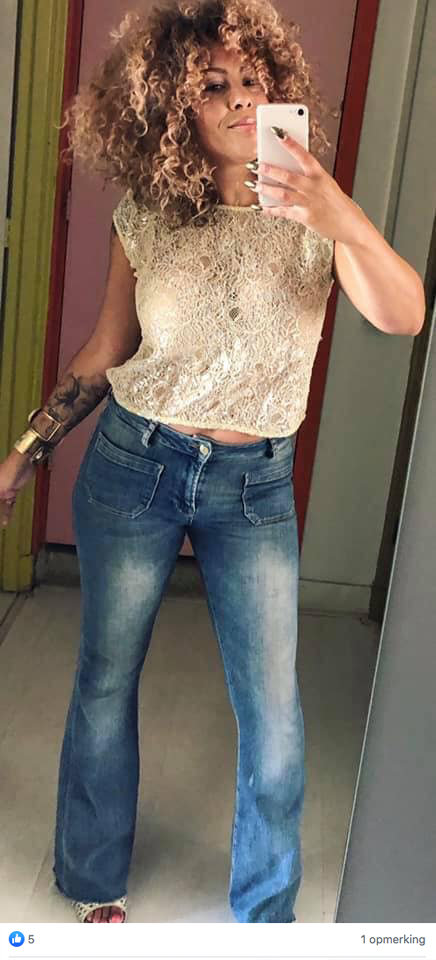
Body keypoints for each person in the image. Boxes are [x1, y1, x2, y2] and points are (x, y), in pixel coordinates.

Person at [0, 0, 424, 925]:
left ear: (279, 90)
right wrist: (27, 451)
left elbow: (404, 315)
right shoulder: (148, 216)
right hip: (136, 465)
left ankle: (266, 916)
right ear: (173, 108)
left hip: (255, 486)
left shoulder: (317, 216)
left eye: (252, 80)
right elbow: (105, 351)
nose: (238, 100)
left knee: (273, 710)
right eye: (212, 87)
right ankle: (91, 876)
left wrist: (341, 213)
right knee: (106, 677)